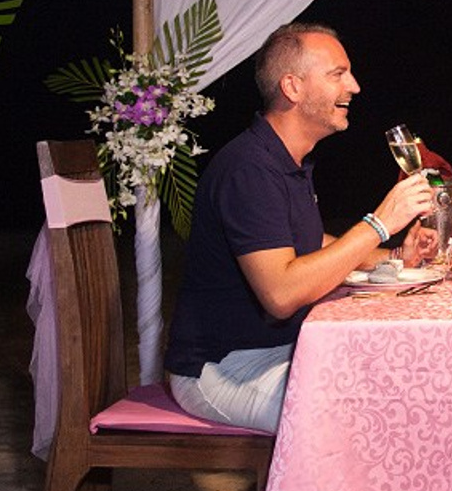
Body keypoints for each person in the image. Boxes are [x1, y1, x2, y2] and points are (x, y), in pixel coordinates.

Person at [164, 22, 437, 432]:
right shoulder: (249, 169)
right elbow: (282, 293)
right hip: (223, 368)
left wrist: (397, 256)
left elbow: (309, 243)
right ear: (292, 87)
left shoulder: (287, 161)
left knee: (398, 382)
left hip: (274, 350)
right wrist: (380, 223)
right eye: (337, 74)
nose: (355, 86)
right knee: (360, 420)